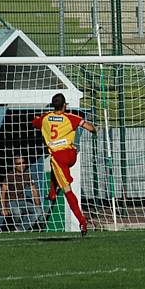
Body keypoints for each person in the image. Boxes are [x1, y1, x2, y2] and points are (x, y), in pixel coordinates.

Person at [32, 93, 96, 236]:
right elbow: (89, 127)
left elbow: (34, 123)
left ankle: (82, 221)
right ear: (65, 105)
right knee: (55, 164)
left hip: (59, 157)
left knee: (67, 190)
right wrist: (95, 130)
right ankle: (52, 192)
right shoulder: (71, 117)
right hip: (71, 154)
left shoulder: (45, 118)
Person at [0, 156, 43, 232]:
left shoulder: (27, 175)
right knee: (17, 211)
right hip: (11, 202)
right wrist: (3, 208)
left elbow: (34, 190)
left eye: (23, 163)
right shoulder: (9, 175)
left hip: (22, 201)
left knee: (38, 211)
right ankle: (18, 227)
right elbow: (3, 192)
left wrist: (38, 205)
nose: (22, 165)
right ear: (15, 165)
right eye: (19, 163)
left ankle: (21, 229)